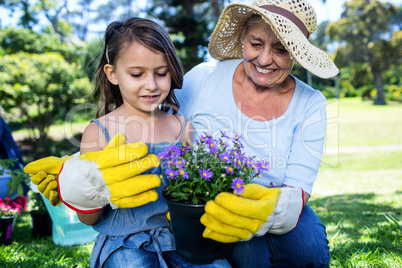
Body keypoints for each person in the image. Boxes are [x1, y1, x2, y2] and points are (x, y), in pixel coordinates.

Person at [24, 17, 231, 268]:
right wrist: (85, 189)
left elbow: (192, 194)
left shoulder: (182, 126)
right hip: (124, 245)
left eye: (161, 73)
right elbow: (88, 219)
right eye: (136, 74)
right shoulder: (99, 132)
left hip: (181, 240)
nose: (151, 85)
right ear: (112, 74)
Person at [175, 0, 339, 267]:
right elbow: (162, 133)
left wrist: (258, 212)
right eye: (255, 43)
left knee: (310, 252)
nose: (264, 60)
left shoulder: (310, 102)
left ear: (296, 53)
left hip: (274, 203)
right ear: (243, 38)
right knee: (250, 255)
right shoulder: (202, 79)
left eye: (280, 49)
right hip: (206, 202)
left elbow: (298, 188)